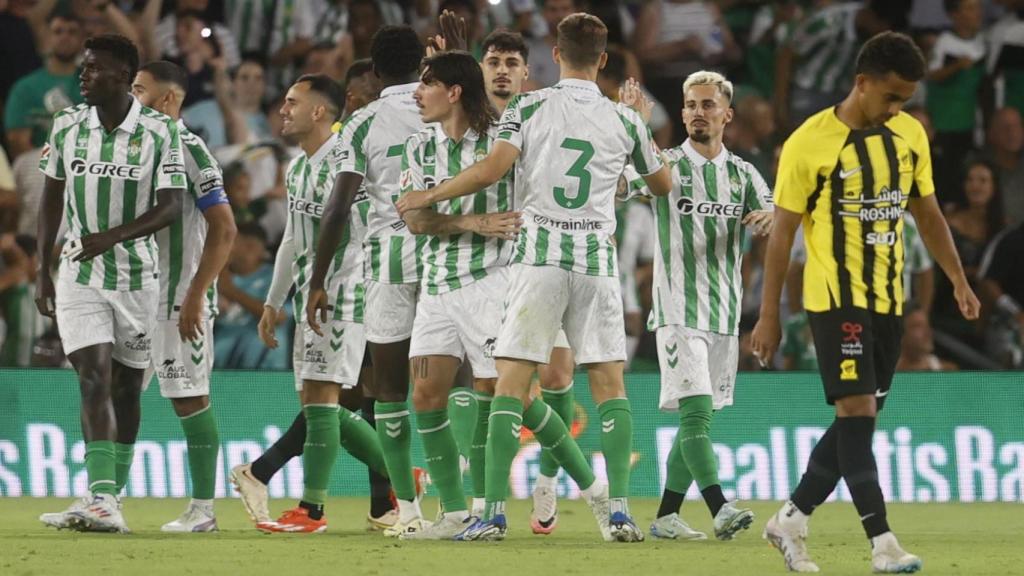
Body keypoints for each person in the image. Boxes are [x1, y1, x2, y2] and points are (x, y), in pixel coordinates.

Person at [398, 12, 672, 542]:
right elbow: (660, 185)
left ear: (554, 53)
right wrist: (639, 127)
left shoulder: (529, 106)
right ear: (605, 59)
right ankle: (618, 511)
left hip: (539, 258)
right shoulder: (624, 119)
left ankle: (493, 514)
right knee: (609, 385)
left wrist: (431, 194)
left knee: (510, 386)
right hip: (595, 262)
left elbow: (494, 169)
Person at [752, 31, 980, 573]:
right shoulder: (809, 142)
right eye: (892, 97)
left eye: (906, 99)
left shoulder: (909, 137)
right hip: (835, 298)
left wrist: (957, 279)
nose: (899, 108)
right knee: (856, 410)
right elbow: (782, 235)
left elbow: (927, 213)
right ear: (862, 83)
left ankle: (789, 519)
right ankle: (883, 543)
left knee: (861, 419)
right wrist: (769, 316)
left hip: (888, 299)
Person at [231, 62, 408, 534]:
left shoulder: (346, 161)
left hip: (342, 291)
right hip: (309, 296)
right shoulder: (300, 166)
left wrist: (322, 285)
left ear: (319, 110)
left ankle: (312, 509)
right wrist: (273, 300)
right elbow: (293, 237)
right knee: (321, 407)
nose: (282, 109)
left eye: (291, 101)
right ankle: (402, 482)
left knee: (324, 399)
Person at [36, 34, 187, 533]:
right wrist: (42, 270)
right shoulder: (66, 127)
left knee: (126, 389)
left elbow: (171, 206)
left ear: (123, 76)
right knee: (93, 377)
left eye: (94, 68)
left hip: (138, 278)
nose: (83, 76)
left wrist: (114, 236)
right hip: (79, 272)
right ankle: (100, 497)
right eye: (84, 67)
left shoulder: (160, 133)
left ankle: (109, 498)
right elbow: (50, 201)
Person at [632, 70, 770, 542]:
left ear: (727, 114)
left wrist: (768, 217)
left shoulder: (743, 174)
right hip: (676, 312)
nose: (696, 112)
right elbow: (620, 186)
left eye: (707, 104)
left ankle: (667, 515)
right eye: (690, 104)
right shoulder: (667, 165)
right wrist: (634, 131)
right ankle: (719, 506)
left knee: (698, 420)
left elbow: (774, 212)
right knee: (696, 417)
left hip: (724, 315)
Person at [305, 25, 431, 537]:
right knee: (469, 382)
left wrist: (318, 277)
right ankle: (478, 504)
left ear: (374, 71)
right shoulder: (442, 106)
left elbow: (338, 206)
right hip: (450, 257)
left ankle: (405, 508)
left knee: (385, 388)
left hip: (388, 263)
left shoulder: (360, 124)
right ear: (421, 63)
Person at [476, 24, 578, 537]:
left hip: (543, 258)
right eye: (493, 61)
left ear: (527, 73)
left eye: (511, 64)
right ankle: (480, 498)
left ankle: (550, 478)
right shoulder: (466, 118)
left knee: (558, 376)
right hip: (480, 268)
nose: (501, 71)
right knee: (494, 383)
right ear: (481, 70)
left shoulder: (545, 113)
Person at [129, 60, 238, 532]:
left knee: (189, 399)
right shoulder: (133, 147)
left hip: (179, 300)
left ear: (169, 99)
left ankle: (203, 510)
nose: (132, 100)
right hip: (132, 297)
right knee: (117, 396)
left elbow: (225, 227)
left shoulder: (191, 150)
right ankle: (101, 501)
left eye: (140, 90)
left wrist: (197, 294)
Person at [925, 0, 985, 205]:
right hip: (944, 125)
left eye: (978, 7)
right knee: (941, 180)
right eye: (969, 8)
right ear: (954, 15)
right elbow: (931, 74)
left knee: (964, 177)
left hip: (970, 126)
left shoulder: (982, 42)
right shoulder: (944, 42)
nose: (977, 13)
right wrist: (957, 66)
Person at [3, 11, 85, 160]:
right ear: (46, 38)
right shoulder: (25, 88)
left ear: (82, 40)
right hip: (36, 168)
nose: (65, 37)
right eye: (58, 31)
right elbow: (17, 141)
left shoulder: (96, 85)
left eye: (72, 32)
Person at [0, 234, 44, 367]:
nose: (40, 265)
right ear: (30, 258)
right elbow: (7, 242)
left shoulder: (40, 285)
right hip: (14, 357)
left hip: (37, 359)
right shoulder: (16, 277)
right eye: (38, 259)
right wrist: (17, 252)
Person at [896, 305, 957, 371]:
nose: (927, 332)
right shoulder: (888, 373)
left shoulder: (947, 371)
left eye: (927, 325)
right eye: (918, 326)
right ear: (900, 334)